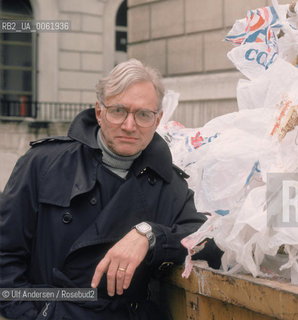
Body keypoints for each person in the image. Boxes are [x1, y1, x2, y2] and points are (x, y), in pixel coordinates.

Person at [0, 59, 220, 319]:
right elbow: (5, 256)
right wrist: (37, 315)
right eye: (118, 111)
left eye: (143, 115)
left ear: (157, 119)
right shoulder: (44, 163)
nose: (129, 125)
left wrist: (150, 235)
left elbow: (210, 242)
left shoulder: (170, 184)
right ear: (98, 111)